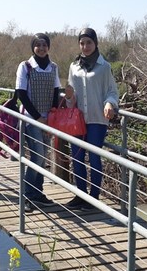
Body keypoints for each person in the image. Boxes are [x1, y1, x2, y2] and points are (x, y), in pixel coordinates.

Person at [65, 27, 119, 210]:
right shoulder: (74, 67)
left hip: (97, 118)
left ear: (95, 43)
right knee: (77, 157)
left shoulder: (104, 67)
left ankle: (94, 197)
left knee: (95, 157)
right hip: (77, 120)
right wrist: (69, 96)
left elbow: (112, 91)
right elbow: (71, 100)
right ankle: (80, 195)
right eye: (82, 43)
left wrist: (109, 103)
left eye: (89, 42)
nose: (85, 46)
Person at [15, 33, 61, 211]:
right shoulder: (25, 66)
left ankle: (37, 193)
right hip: (30, 118)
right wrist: (38, 117)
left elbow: (56, 91)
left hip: (48, 119)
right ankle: (27, 195)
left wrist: (53, 115)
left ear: (48, 47)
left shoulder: (53, 67)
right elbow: (21, 93)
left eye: (44, 44)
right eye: (38, 45)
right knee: (37, 156)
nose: (41, 48)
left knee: (43, 158)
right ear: (33, 47)